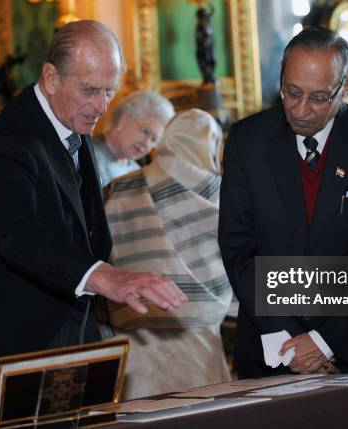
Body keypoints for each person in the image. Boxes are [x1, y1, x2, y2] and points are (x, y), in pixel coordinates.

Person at [0, 20, 186, 426]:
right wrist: (106, 277)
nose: (100, 106)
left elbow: (65, 225)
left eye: (109, 90)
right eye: (90, 90)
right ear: (50, 77)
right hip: (24, 339)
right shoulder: (7, 143)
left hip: (71, 323)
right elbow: (18, 234)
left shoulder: (67, 122)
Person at [218, 26, 348, 378]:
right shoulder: (247, 142)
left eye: (319, 97)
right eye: (292, 93)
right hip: (269, 346)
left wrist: (323, 341)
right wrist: (290, 339)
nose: (301, 110)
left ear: (345, 85)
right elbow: (237, 248)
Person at [105, 109, 232, 399]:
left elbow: (101, 254)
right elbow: (236, 264)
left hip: (134, 334)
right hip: (199, 338)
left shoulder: (119, 187)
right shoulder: (222, 193)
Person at [92, 90, 174, 186]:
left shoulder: (138, 175)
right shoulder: (86, 154)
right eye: (145, 131)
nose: (146, 144)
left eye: (154, 140)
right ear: (123, 120)